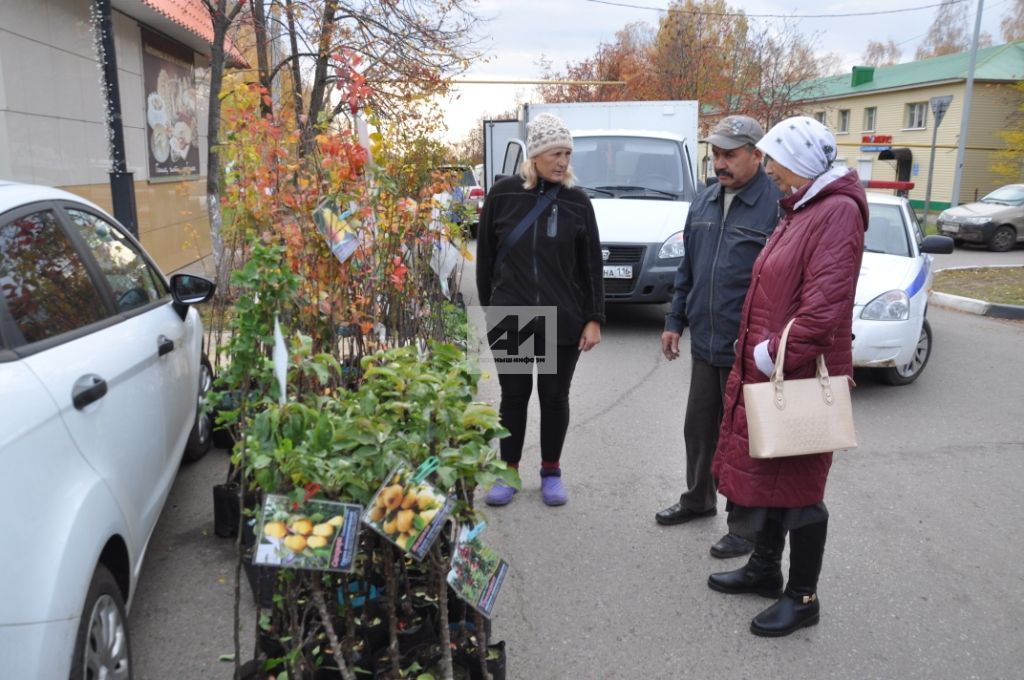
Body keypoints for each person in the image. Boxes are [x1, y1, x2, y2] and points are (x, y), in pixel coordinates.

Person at [707, 116, 867, 637]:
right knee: (773, 473)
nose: (770, 171)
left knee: (800, 490)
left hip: (796, 372)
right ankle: (764, 570)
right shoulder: (802, 209)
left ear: (798, 163)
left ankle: (803, 597)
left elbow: (823, 311)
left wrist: (769, 353)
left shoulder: (836, 213)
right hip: (774, 366)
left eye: (776, 161)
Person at [655, 115, 782, 560]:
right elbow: (688, 268)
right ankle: (698, 499)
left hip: (751, 347)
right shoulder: (705, 200)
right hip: (707, 341)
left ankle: (744, 526)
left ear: (757, 155)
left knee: (743, 437)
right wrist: (674, 320)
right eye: (716, 154)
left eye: (730, 155)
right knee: (700, 427)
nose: (720, 164)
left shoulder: (777, 205)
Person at [476, 113, 605, 507]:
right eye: (555, 153)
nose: (563, 161)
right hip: (512, 313)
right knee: (513, 396)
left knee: (553, 396)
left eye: (567, 153)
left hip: (563, 316)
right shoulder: (503, 195)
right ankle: (508, 472)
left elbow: (591, 266)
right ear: (535, 156)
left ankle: (551, 470)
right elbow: (485, 259)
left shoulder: (577, 202)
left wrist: (593, 317)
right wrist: (492, 308)